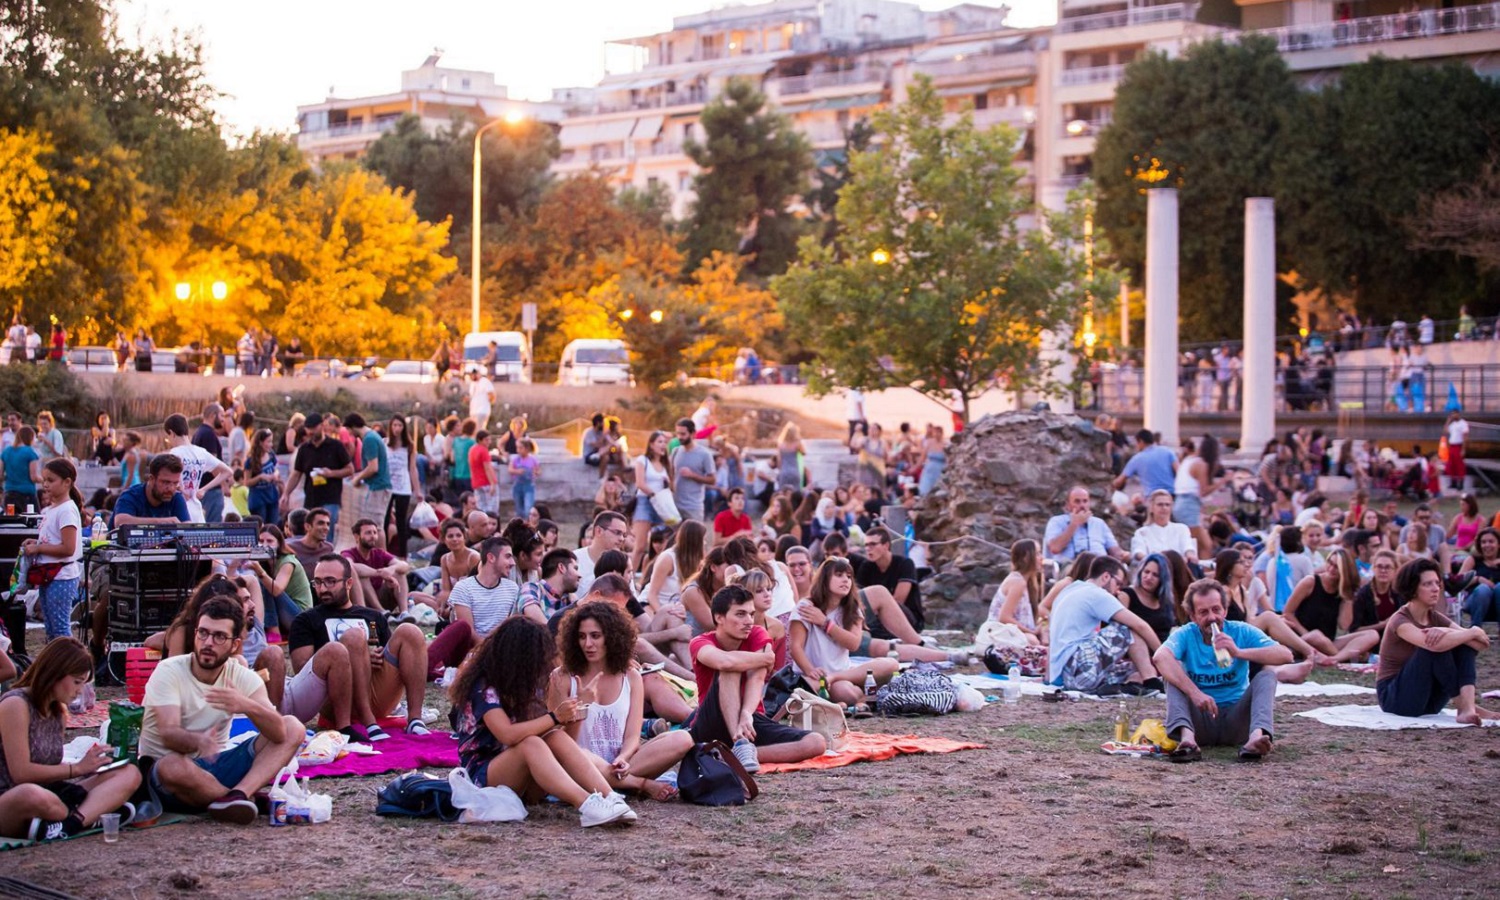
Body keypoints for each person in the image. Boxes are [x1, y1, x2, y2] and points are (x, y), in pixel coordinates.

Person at [449, 617, 636, 827]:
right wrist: (554, 717)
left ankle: (609, 797)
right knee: (532, 742)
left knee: (553, 736)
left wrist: (579, 707)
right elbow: (507, 734)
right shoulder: (484, 686)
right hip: (482, 776)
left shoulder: (526, 684)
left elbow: (565, 741)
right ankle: (587, 804)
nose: (542, 665)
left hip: (527, 779)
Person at [139, 596, 303, 822]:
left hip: (216, 766)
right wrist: (199, 741)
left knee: (293, 726)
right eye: (203, 633)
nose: (208, 643)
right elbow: (168, 734)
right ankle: (239, 799)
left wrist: (245, 705)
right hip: (170, 776)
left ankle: (239, 794)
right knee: (172, 766)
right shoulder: (169, 671)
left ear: (235, 644)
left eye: (219, 637)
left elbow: (279, 733)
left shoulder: (241, 676)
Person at [0, 638, 141, 841]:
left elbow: (51, 767)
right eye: (77, 682)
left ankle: (68, 824)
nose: (79, 691)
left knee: (129, 772)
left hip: (52, 793)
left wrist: (91, 766)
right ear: (54, 675)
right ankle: (93, 814)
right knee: (32, 795)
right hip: (13, 797)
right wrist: (77, 769)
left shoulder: (57, 709)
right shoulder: (15, 704)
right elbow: (21, 773)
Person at [552, 601, 693, 801]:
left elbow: (632, 736)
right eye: (581, 637)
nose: (588, 644)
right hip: (577, 765)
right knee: (575, 752)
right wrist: (581, 705)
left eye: (595, 636)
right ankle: (637, 784)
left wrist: (623, 757)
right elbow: (561, 743)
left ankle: (618, 781)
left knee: (683, 738)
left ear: (612, 637)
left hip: (622, 767)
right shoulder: (562, 677)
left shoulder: (631, 676)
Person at [288, 555, 430, 741]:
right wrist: (346, 659)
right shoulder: (305, 620)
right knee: (354, 637)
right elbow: (304, 674)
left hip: (375, 690)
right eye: (318, 582)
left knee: (410, 631)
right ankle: (367, 721)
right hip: (333, 697)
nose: (323, 588)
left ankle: (415, 719)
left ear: (348, 583)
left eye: (330, 581)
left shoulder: (373, 617)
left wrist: (371, 657)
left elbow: (389, 657)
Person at [689, 585, 826, 773]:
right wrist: (766, 658)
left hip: (750, 718)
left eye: (751, 614)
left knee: (816, 742)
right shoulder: (701, 641)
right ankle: (740, 743)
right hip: (711, 721)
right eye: (740, 614)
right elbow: (726, 662)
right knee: (733, 666)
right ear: (719, 618)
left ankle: (735, 754)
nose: (748, 621)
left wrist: (746, 713)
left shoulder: (757, 633)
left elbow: (757, 678)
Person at [1153, 579, 1291, 762]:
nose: (1212, 617)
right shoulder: (1186, 634)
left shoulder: (1241, 631)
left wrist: (1239, 652)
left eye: (1216, 609)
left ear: (1225, 610)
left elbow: (1285, 655)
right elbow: (1159, 657)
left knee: (1267, 676)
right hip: (1200, 721)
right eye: (1203, 612)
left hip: (1236, 719)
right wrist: (1195, 694)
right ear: (1193, 616)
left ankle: (1256, 739)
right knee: (1171, 674)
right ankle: (1188, 742)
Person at [1376, 558, 1496, 724]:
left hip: (1429, 700)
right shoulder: (1400, 620)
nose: (1436, 589)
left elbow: (1480, 644)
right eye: (1427, 584)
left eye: (1437, 583)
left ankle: (1468, 707)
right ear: (1413, 589)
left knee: (1464, 645)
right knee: (1434, 647)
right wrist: (1471, 632)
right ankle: (1465, 707)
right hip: (1395, 699)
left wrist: (1458, 631)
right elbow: (1434, 646)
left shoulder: (1437, 618)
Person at [789, 558, 900, 705]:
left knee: (892, 664)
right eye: (839, 575)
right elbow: (795, 647)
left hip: (842, 674)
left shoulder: (852, 609)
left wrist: (825, 623)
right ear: (825, 578)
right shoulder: (807, 606)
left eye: (849, 576)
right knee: (846, 694)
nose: (845, 580)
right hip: (814, 676)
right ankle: (864, 696)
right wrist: (810, 670)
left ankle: (840, 681)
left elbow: (853, 644)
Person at [1047, 556, 1163, 694]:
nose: (1118, 590)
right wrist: (1164, 657)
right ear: (1106, 577)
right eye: (1118, 583)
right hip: (1078, 668)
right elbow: (1140, 625)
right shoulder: (1097, 594)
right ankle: (1152, 681)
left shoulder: (1070, 590)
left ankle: (1138, 681)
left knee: (1133, 669)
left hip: (1065, 677)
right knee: (1127, 627)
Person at [426, 537, 521, 677]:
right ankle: (424, 665)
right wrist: (487, 650)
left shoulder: (513, 589)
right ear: (491, 558)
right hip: (466, 651)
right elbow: (469, 632)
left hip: (499, 651)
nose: (512, 563)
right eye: (507, 557)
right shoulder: (464, 587)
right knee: (461, 626)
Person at [1282, 548, 1382, 664]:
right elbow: (1287, 613)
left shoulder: (1342, 591)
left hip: (1328, 641)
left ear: (1344, 571)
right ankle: (1346, 658)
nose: (1331, 569)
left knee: (1372, 634)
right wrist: (1305, 633)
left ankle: (1335, 659)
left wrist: (1347, 596)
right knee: (1316, 636)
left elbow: (1344, 625)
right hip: (1303, 638)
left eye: (1337, 567)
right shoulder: (1311, 582)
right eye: (1330, 563)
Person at [22, 460, 83, 643]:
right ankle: (55, 667)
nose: (45, 484)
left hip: (61, 576)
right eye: (44, 480)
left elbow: (68, 548)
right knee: (50, 627)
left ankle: (71, 665)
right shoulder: (50, 509)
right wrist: (37, 542)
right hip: (48, 575)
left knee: (60, 628)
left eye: (51, 480)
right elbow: (53, 539)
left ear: (67, 482)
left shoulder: (66, 511)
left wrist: (39, 548)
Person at [282, 414, 354, 531]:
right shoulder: (304, 449)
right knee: (311, 532)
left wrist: (331, 473)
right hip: (311, 498)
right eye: (308, 429)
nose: (310, 432)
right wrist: (286, 493)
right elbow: (296, 474)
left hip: (331, 497)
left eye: (313, 428)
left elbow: (350, 469)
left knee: (326, 532)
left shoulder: (335, 446)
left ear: (321, 426)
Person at [162, 413, 231, 524]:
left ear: (171, 433)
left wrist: (183, 489)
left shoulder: (175, 453)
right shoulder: (201, 452)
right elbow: (227, 471)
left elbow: (176, 483)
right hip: (196, 509)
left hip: (180, 510)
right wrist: (203, 489)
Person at [343, 519, 413, 618]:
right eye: (368, 533)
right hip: (361, 601)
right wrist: (378, 573)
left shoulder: (379, 553)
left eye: (375, 532)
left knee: (399, 573)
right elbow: (349, 566)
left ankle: (404, 613)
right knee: (363, 576)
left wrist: (391, 569)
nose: (372, 536)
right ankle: (381, 612)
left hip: (380, 596)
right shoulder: (348, 553)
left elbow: (404, 565)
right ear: (356, 536)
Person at [251, 525, 314, 636]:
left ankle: (273, 631)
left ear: (279, 543)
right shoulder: (264, 562)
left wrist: (260, 572)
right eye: (261, 541)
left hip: (300, 617)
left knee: (265, 584)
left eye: (270, 541)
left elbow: (276, 590)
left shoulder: (287, 561)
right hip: (284, 615)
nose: (264, 545)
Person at [1044, 486, 1127, 564]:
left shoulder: (1099, 523)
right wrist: (1074, 524)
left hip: (1098, 568)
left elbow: (1114, 550)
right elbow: (1055, 548)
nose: (1082, 505)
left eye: (1085, 501)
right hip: (1069, 568)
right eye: (1077, 501)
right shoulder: (1057, 521)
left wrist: (1122, 555)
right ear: (1068, 505)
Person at [988, 539, 1047, 646]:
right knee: (1032, 640)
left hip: (1015, 633)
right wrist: (1031, 632)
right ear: (1026, 558)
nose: (1042, 558)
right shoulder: (1017, 582)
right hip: (998, 633)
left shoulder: (1029, 582)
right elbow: (1004, 618)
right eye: (1037, 554)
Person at [345, 414, 392, 545]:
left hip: (379, 487)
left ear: (353, 427)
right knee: (373, 524)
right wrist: (357, 475)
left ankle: (382, 556)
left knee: (376, 526)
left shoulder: (369, 439)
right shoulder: (372, 436)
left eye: (348, 430)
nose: (348, 433)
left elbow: (373, 467)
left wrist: (357, 478)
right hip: (376, 486)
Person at [629, 433, 673, 573]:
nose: (663, 445)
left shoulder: (666, 463)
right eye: (660, 442)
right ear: (651, 444)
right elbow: (640, 483)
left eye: (664, 442)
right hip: (645, 501)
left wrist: (668, 486)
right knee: (640, 546)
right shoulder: (643, 460)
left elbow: (672, 487)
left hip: (662, 504)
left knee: (663, 544)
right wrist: (654, 495)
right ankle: (627, 576)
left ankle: (656, 575)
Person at [1121, 553, 1177, 643]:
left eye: (1155, 575)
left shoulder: (1165, 601)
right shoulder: (1127, 595)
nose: (1149, 577)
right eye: (1146, 572)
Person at [518, 548, 581, 626]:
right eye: (575, 568)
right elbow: (533, 616)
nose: (579, 575)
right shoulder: (532, 588)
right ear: (561, 567)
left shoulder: (569, 600)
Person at [1130, 490, 1195, 563]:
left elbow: (1188, 547)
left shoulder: (1182, 529)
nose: (1164, 508)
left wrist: (1190, 555)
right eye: (1160, 504)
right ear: (1151, 507)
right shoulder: (1141, 532)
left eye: (1167, 505)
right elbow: (1138, 552)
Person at [670, 418, 714, 524]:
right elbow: (670, 473)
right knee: (672, 539)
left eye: (683, 434)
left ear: (693, 433)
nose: (680, 437)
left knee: (695, 539)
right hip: (675, 506)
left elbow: (712, 480)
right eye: (678, 433)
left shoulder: (704, 454)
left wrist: (692, 475)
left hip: (694, 506)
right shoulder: (675, 451)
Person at [1112, 429, 1177, 497]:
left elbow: (1119, 481)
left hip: (1152, 497)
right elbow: (1178, 470)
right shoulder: (1167, 451)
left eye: (1136, 443)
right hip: (1171, 494)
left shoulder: (1136, 459)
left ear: (1141, 441)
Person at [1458, 527, 1500, 631]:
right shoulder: (1473, 560)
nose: (1487, 545)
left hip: (1498, 605)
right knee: (1483, 589)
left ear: (1498, 544)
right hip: (1476, 603)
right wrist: (1478, 579)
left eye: (1491, 541)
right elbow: (1457, 583)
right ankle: (1475, 632)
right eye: (1483, 542)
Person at [1352, 549, 1401, 636]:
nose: (1383, 570)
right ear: (1373, 568)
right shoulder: (1363, 595)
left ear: (1395, 571)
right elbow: (1354, 630)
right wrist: (1382, 625)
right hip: (1370, 642)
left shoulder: (1399, 594)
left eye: (1388, 567)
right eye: (1379, 566)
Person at [243, 428, 281, 527]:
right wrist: (260, 477)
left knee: (273, 525)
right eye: (268, 442)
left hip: (272, 494)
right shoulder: (250, 461)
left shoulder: (271, 455)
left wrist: (275, 475)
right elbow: (247, 482)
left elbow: (276, 469)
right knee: (261, 526)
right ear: (260, 442)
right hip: (258, 498)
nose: (271, 445)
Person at [0, 425, 39, 513]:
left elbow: (0, 475)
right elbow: (33, 477)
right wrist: (44, 479)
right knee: (33, 522)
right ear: (31, 437)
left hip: (9, 493)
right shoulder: (30, 452)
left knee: (11, 523)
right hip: (27, 495)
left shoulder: (6, 451)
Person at [288, 507, 335, 575]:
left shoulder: (328, 548)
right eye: (320, 523)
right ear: (307, 526)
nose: (326, 528)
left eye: (328, 524)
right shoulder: (290, 548)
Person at [509, 438, 539, 521]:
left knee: (528, 508)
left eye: (520, 448)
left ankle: (528, 523)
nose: (518, 450)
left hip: (529, 486)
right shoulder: (515, 459)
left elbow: (538, 470)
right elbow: (510, 470)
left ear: (527, 449)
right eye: (517, 448)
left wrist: (535, 473)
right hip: (517, 486)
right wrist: (517, 471)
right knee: (519, 509)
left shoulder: (533, 459)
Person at [775, 422, 805, 491]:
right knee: (795, 494)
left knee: (783, 492)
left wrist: (780, 470)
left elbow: (779, 461)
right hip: (794, 471)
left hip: (784, 471)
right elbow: (803, 453)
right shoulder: (797, 443)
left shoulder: (780, 444)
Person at [1445, 411, 1468, 491]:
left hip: (1459, 446)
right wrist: (1448, 421)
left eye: (1454, 414)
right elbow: (1446, 431)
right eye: (1452, 414)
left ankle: (1461, 483)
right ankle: (1453, 482)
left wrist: (1463, 449)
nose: (1453, 416)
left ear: (1458, 414)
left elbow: (1465, 437)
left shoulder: (1463, 423)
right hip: (1452, 446)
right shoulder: (1452, 424)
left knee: (1459, 465)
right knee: (1451, 465)